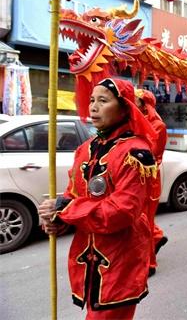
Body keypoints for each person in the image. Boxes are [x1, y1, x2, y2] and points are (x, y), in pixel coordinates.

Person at [38, 78, 157, 320]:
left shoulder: (136, 153)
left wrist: (66, 208)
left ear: (124, 108)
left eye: (103, 101)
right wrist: (58, 220)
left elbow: (122, 212)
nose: (93, 107)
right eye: (92, 100)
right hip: (88, 260)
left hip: (121, 260)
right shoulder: (84, 149)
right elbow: (74, 194)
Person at [135, 89, 169, 276]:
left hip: (149, 179)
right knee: (141, 220)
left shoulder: (158, 126)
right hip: (135, 177)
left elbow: (149, 152)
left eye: (136, 101)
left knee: (144, 221)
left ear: (144, 104)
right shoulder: (135, 121)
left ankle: (150, 264)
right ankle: (156, 237)